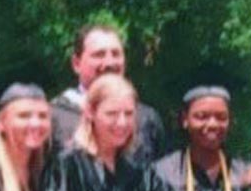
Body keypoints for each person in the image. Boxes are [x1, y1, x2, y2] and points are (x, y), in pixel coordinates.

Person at [50, 24, 165, 166]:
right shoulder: (52, 118)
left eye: (116, 54)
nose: (110, 62)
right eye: (99, 55)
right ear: (76, 63)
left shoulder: (146, 118)